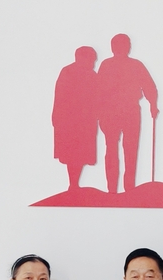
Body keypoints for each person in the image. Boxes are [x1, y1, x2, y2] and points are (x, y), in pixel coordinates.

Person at [97, 33, 158, 193]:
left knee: (128, 149)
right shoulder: (107, 65)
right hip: (112, 111)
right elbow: (98, 90)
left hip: (128, 110)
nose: (127, 47)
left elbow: (149, 86)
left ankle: (127, 188)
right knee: (114, 148)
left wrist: (153, 104)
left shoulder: (135, 65)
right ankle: (113, 188)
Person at [52, 46, 99, 190]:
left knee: (79, 154)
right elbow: (60, 96)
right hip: (71, 121)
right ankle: (73, 184)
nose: (93, 63)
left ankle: (74, 184)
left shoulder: (92, 75)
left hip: (85, 121)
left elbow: (98, 98)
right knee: (72, 153)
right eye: (92, 59)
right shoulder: (68, 72)